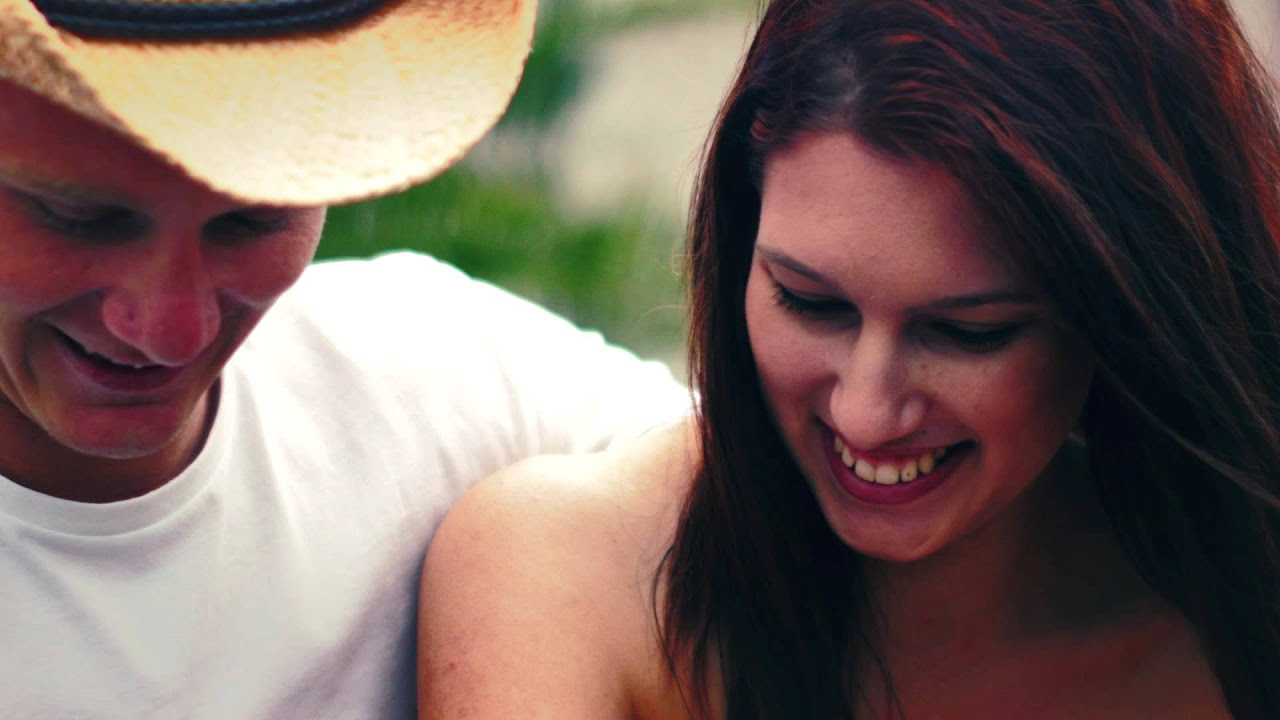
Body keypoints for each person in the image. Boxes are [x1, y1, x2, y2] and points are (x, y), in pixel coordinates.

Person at [419, 0, 1280, 718]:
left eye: (970, 332)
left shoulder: (1225, 623)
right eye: (810, 302)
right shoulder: (564, 576)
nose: (866, 413)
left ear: (1123, 314)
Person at [0, 0, 690, 717]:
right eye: (80, 220)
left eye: (255, 220)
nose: (173, 331)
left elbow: (747, 483)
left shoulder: (443, 372)